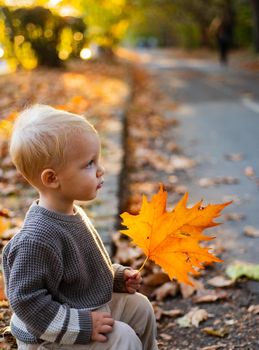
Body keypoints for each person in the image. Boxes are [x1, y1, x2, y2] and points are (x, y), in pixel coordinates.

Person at [2, 105, 158, 350]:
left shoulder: (70, 212)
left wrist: (115, 277)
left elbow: (79, 272)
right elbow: (27, 302)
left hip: (79, 307)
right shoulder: (37, 239)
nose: (100, 170)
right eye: (89, 164)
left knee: (140, 307)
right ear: (52, 179)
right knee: (122, 337)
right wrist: (84, 325)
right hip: (47, 337)